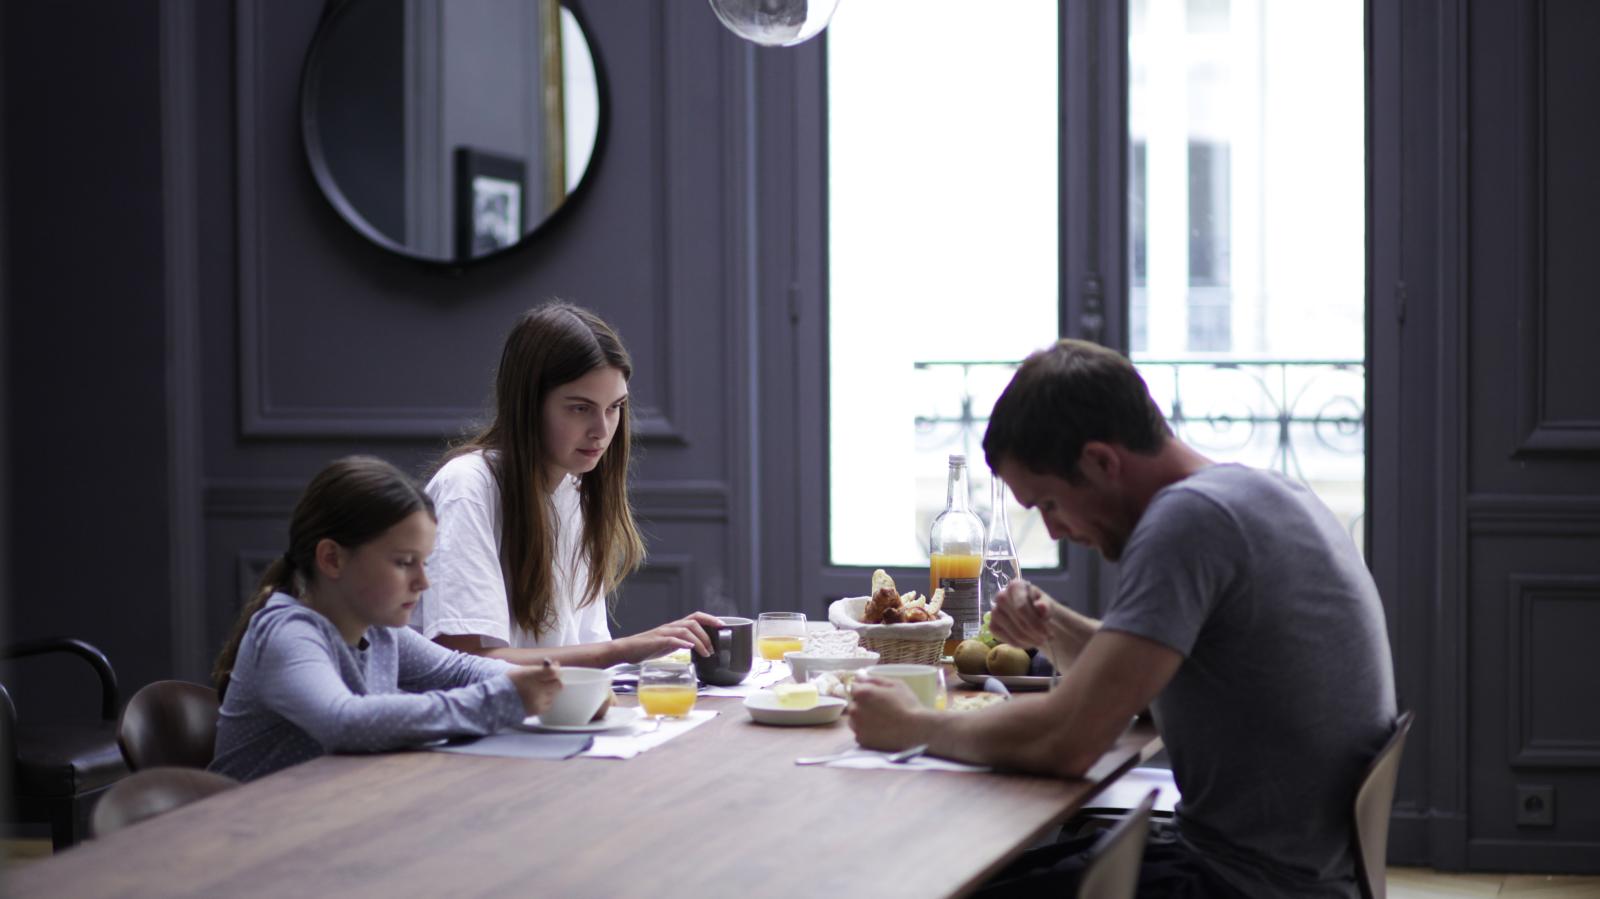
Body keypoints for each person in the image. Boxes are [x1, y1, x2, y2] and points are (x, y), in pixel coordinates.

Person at [847, 339, 1396, 898]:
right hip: (1286, 870)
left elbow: (1068, 742)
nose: (1054, 531)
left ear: (1101, 462)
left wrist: (912, 727)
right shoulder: (1258, 494)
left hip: (1242, 885)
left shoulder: (1188, 522)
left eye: (1050, 504)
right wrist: (1052, 626)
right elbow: (1151, 677)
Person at [210, 456, 562, 783]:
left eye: (424, 563)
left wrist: (544, 684)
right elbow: (345, 721)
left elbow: (457, 670)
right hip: (253, 824)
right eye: (404, 562)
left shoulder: (377, 628)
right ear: (332, 559)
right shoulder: (287, 633)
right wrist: (500, 700)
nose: (423, 582)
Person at [413, 302, 721, 666]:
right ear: (529, 404)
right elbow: (462, 664)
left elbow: (586, 654)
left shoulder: (574, 492)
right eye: (580, 408)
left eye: (614, 407)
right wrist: (624, 650)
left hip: (562, 704)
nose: (602, 430)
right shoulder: (467, 488)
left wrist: (633, 657)